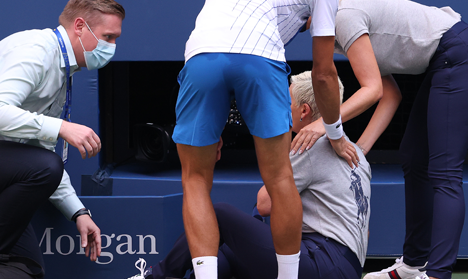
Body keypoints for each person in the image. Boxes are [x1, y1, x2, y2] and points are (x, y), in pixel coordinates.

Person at [171, 0, 363, 279]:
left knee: (195, 180)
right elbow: (323, 75)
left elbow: (225, 50)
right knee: (279, 177)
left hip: (199, 61)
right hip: (260, 63)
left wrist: (213, 123)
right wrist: (333, 131)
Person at [291, 0, 468, 279]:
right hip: (446, 59)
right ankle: (413, 265)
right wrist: (359, 150)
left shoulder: (343, 17)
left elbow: (372, 91)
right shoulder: (336, 25)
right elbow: (390, 93)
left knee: (445, 172)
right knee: (413, 155)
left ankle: (437, 274)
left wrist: (324, 126)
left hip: (458, 53)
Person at [0, 0, 125, 273]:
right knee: (44, 167)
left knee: (24, 265)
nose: (113, 46)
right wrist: (62, 127)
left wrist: (78, 212)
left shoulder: (62, 70)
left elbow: (38, 155)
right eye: (108, 37)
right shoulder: (36, 50)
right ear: (80, 26)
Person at [142, 71, 370, 279]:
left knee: (218, 215)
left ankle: (155, 277)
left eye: (286, 101)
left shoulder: (310, 144)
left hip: (321, 261)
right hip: (345, 267)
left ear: (304, 111)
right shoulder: (356, 152)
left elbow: (264, 203)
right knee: (221, 255)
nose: (282, 106)